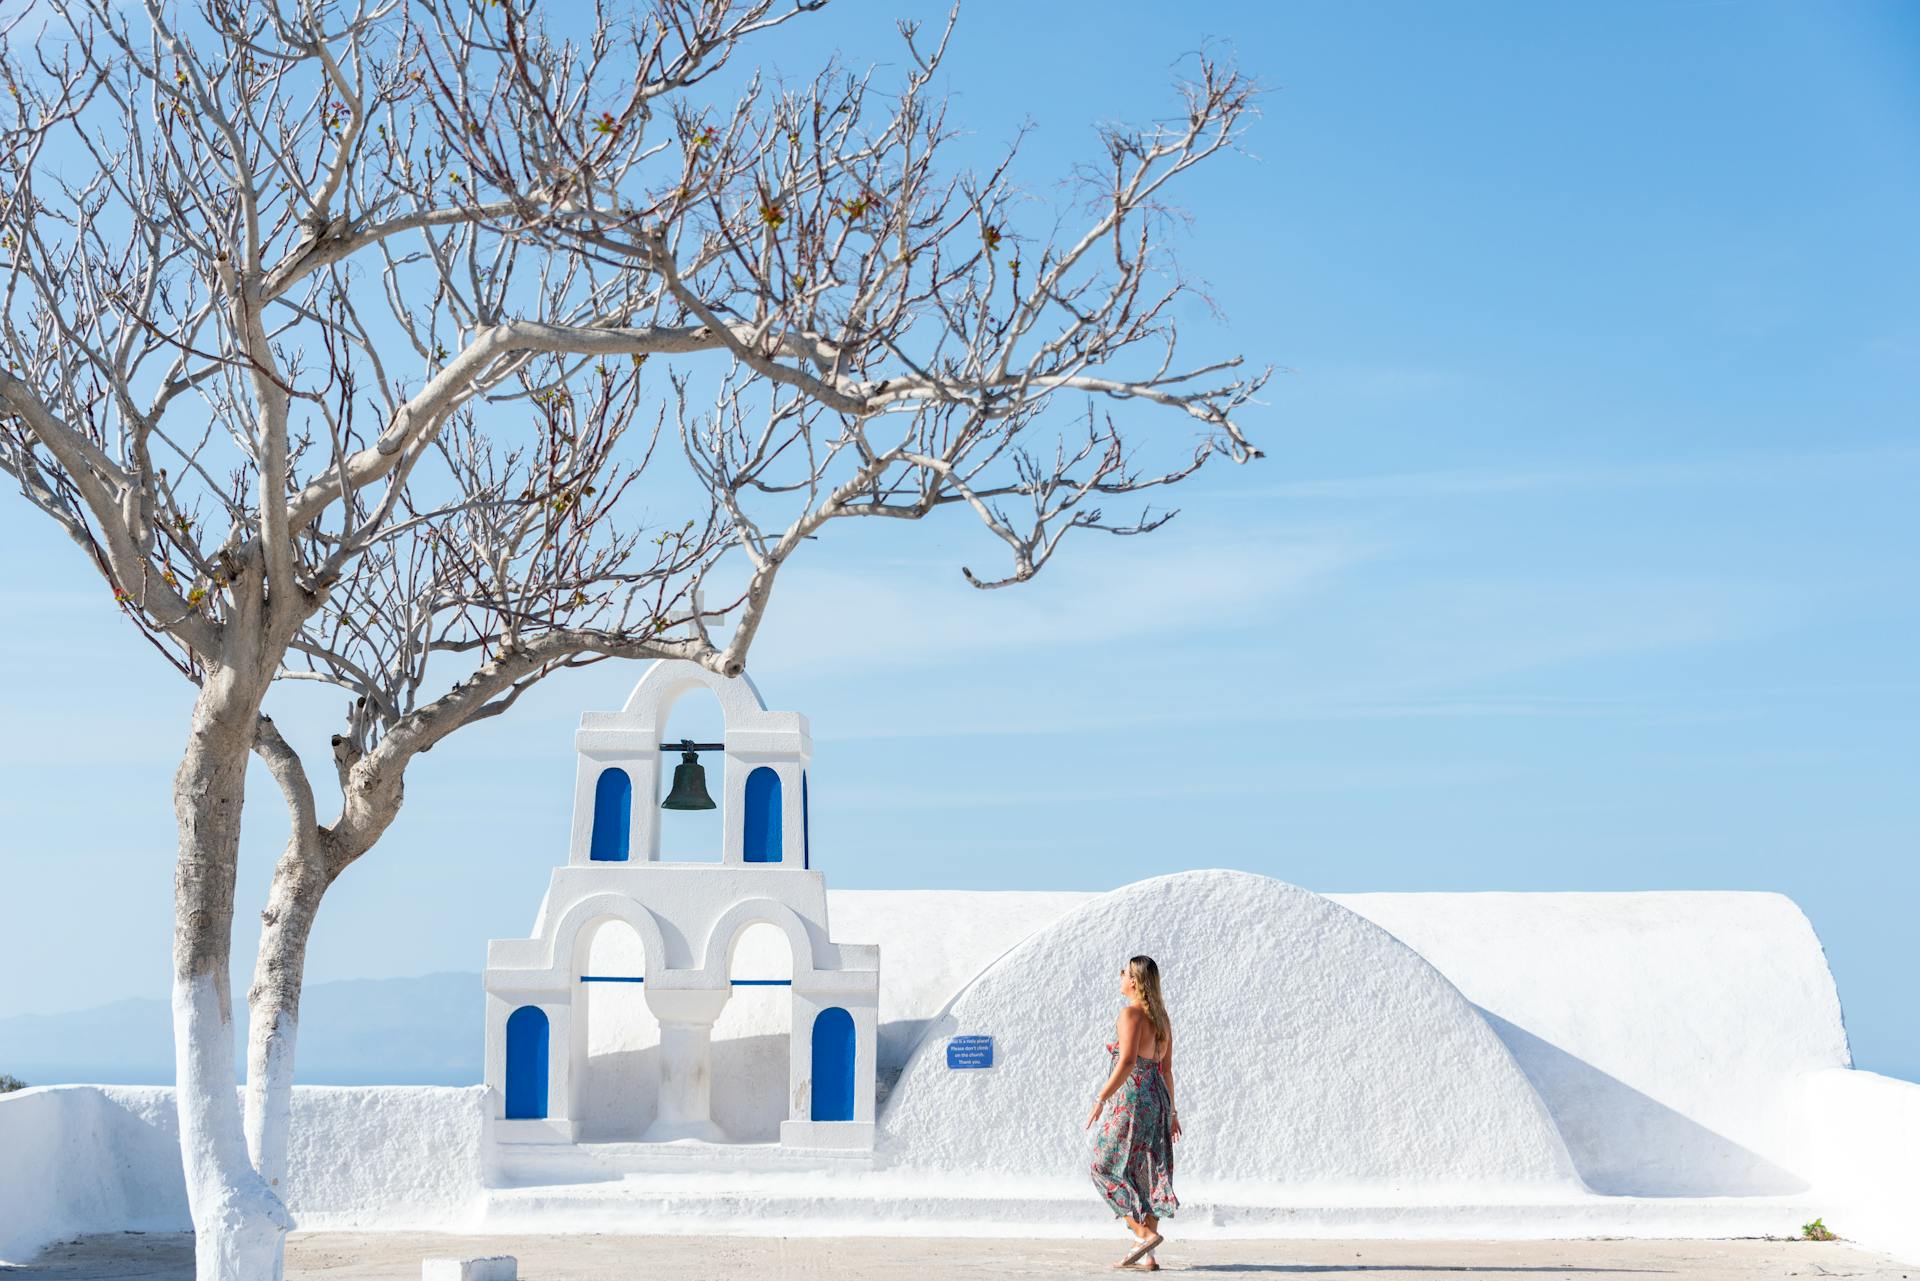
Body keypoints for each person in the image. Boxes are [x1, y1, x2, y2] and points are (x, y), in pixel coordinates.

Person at [1086, 954, 1181, 1270]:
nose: (1120, 974)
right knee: (1149, 1172)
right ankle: (1149, 1257)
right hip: (1158, 1101)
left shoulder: (1130, 1016)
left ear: (1135, 981)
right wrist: (1172, 1113)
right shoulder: (1163, 1020)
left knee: (1103, 1166)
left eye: (1124, 971)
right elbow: (1166, 1070)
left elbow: (1127, 1062)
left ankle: (1142, 1234)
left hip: (1133, 1098)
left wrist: (1100, 1099)